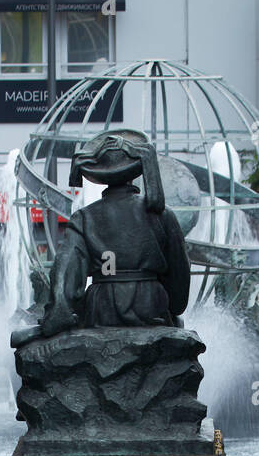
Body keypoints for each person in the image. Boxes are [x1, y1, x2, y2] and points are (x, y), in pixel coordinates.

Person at [38, 129, 190, 337]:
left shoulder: (84, 217)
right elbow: (180, 273)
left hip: (102, 309)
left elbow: (66, 270)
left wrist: (60, 312)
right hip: (151, 306)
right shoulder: (163, 215)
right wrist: (173, 307)